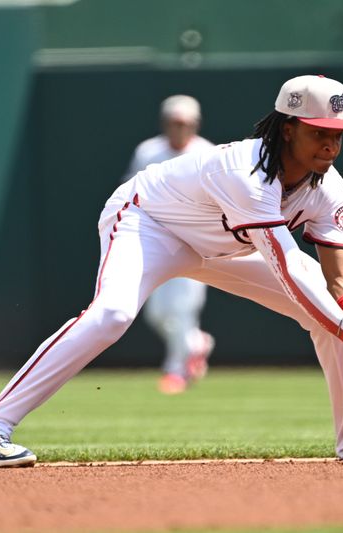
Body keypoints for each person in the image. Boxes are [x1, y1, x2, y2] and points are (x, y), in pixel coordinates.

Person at [0, 74, 343, 468]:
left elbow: (342, 280)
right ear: (289, 128)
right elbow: (289, 265)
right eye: (319, 132)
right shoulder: (249, 172)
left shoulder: (328, 186)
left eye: (339, 133)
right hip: (149, 223)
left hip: (224, 247)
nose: (332, 144)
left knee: (326, 309)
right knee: (111, 315)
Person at [122, 95, 216, 395]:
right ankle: (195, 344)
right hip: (156, 241)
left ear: (195, 124)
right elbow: (131, 191)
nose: (180, 128)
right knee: (157, 314)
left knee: (182, 310)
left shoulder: (207, 153)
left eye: (186, 123)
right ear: (166, 123)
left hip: (194, 242)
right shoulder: (148, 151)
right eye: (175, 123)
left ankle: (176, 371)